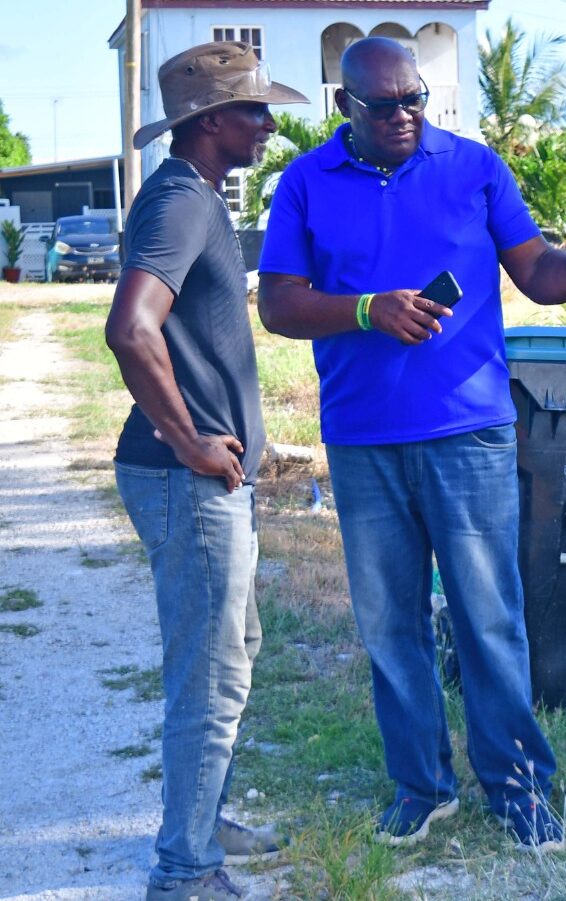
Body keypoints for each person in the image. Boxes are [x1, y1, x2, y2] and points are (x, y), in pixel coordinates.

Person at [257, 37, 566, 852]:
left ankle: (518, 786)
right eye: (385, 106)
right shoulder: (305, 183)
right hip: (365, 439)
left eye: (415, 99)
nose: (405, 115)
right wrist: (368, 310)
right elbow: (278, 303)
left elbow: (536, 272)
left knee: (490, 618)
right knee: (389, 624)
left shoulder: (475, 167)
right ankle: (421, 786)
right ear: (347, 108)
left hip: (470, 432)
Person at [104, 42, 308, 901]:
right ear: (210, 122)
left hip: (207, 480)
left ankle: (203, 817)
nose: (268, 124)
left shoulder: (196, 199)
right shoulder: (183, 204)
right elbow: (130, 327)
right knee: (210, 674)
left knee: (235, 651)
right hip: (186, 479)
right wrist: (188, 440)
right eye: (255, 111)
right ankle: (185, 869)